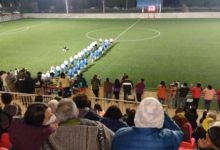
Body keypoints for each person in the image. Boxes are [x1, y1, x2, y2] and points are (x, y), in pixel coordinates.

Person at [111, 97, 183, 150]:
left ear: (138, 113)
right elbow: (179, 132)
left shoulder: (119, 134)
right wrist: (162, 113)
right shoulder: (168, 138)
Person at [45, 99, 114, 150]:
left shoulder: (50, 138)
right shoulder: (99, 128)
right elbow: (115, 140)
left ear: (57, 117)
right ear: (77, 112)